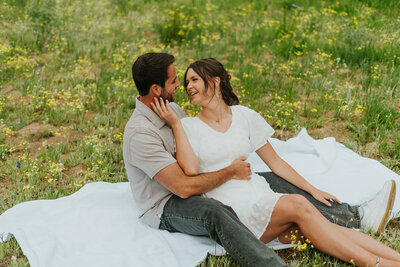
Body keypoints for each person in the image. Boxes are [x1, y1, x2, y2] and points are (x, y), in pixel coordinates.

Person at [124, 53, 395, 266]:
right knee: (279, 208)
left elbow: (273, 162)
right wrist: (229, 171)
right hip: (170, 202)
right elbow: (185, 183)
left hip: (238, 188)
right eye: (177, 82)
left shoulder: (175, 110)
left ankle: (365, 229)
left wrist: (312, 188)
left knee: (308, 219)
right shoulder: (149, 130)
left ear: (215, 80)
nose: (183, 87)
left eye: (191, 80)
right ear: (156, 89)